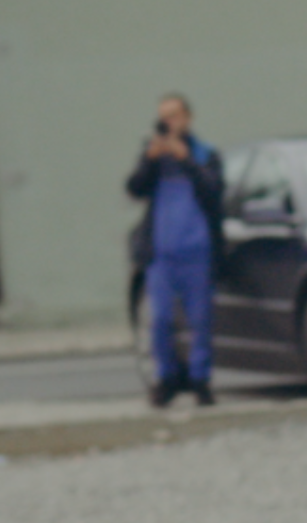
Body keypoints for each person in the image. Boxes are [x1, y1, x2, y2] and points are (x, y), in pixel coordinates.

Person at [126, 93, 223, 409]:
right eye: (163, 116)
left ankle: (200, 379)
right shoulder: (154, 156)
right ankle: (166, 378)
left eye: (174, 115)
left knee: (201, 320)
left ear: (187, 118)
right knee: (161, 319)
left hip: (197, 253)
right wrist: (149, 160)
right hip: (161, 254)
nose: (168, 122)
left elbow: (213, 192)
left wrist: (187, 160)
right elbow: (134, 188)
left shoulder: (205, 154)